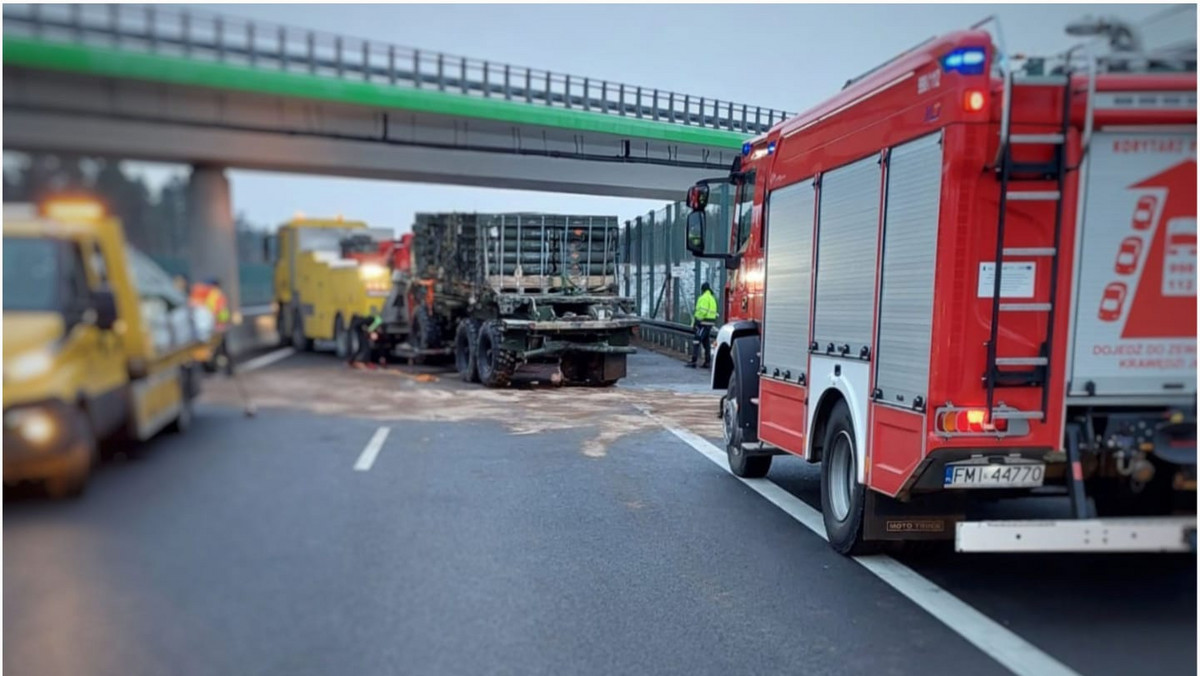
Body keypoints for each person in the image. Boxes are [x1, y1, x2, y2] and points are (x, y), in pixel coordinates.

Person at [686, 282, 718, 369]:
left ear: (702, 289)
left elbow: (701, 311)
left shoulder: (703, 298)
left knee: (697, 340)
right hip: (710, 323)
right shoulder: (712, 298)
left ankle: (694, 361)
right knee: (706, 342)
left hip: (703, 323)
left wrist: (696, 322)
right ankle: (707, 362)